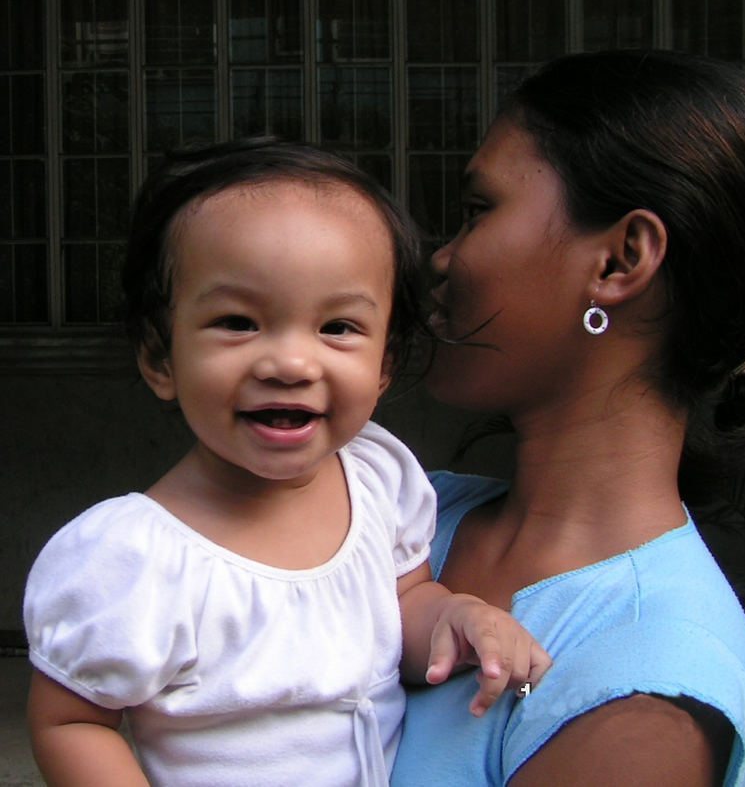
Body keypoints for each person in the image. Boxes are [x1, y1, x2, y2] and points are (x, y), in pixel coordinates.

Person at [24, 138, 550, 787]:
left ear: (384, 365)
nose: (291, 364)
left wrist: (455, 617)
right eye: (239, 321)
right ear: (162, 357)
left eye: (338, 327)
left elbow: (406, 602)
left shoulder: (379, 479)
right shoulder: (133, 557)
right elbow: (72, 720)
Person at [391, 50, 745, 787]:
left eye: (478, 210)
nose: (442, 258)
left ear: (620, 260)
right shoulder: (401, 513)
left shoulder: (647, 681)